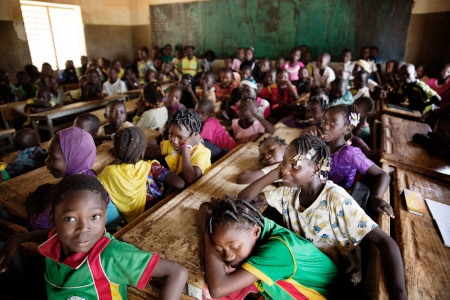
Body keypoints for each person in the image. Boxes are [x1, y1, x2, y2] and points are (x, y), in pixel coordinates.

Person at [238, 135, 407, 298]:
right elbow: (243, 200)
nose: (285, 169)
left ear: (316, 169)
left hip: (333, 282)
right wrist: (275, 172)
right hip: (304, 271)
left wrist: (399, 294)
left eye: (294, 165)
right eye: (284, 163)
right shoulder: (288, 193)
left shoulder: (336, 199)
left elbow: (385, 242)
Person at [0, 174, 188, 299]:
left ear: (105, 217)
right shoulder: (58, 239)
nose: (84, 228)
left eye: (94, 217)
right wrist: (17, 239)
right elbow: (51, 234)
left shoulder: (110, 255)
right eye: (71, 218)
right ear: (53, 219)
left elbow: (177, 272)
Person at [198, 196, 339, 299]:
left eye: (234, 247)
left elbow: (218, 289)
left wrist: (206, 231)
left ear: (256, 231)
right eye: (219, 250)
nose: (228, 256)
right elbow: (205, 209)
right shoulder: (249, 225)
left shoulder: (278, 251)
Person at [98, 127, 184, 222]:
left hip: (129, 221)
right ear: (143, 153)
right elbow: (179, 184)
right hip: (155, 215)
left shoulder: (109, 171)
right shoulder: (150, 167)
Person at [320, 104, 393, 215]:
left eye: (333, 123)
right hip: (318, 189)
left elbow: (383, 175)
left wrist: (376, 196)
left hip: (336, 198)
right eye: (324, 120)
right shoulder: (323, 143)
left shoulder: (349, 153)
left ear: (347, 129)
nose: (325, 126)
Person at [25, 126, 98, 231]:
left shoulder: (70, 194)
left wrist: (31, 206)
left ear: (74, 159)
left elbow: (37, 224)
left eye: (52, 157)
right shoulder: (87, 173)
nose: (46, 161)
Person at [146, 109, 211, 185]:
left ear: (193, 136)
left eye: (180, 137)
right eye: (171, 134)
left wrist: (186, 147)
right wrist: (160, 136)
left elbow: (191, 179)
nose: (174, 141)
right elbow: (146, 150)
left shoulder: (201, 153)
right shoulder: (174, 145)